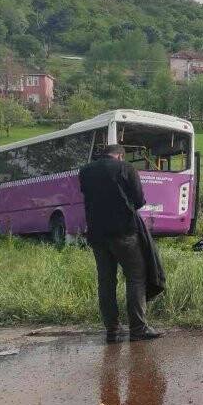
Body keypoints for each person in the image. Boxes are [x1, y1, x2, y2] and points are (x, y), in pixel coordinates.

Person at [79, 144, 162, 343]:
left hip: (97, 234)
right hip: (124, 232)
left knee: (106, 281)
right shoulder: (126, 168)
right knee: (135, 278)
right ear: (120, 155)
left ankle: (112, 330)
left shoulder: (86, 171)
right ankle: (138, 328)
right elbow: (139, 200)